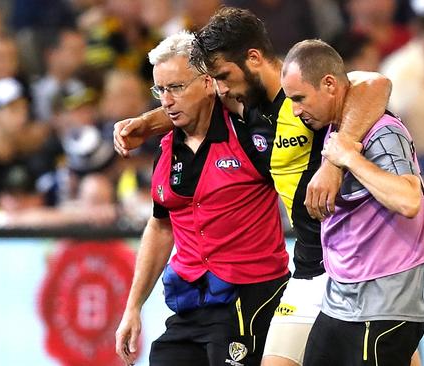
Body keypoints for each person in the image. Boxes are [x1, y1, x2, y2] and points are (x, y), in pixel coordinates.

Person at [113, 7, 393, 366]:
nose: (222, 87)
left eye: (224, 76)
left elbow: (376, 84)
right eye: (216, 79)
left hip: (357, 264)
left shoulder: (301, 94)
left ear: (254, 58)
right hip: (310, 268)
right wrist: (148, 123)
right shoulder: (245, 109)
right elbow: (196, 103)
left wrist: (335, 160)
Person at [114, 31, 290, 366]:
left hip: (248, 302)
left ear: (209, 83)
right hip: (190, 305)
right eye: (160, 90)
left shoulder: (250, 134)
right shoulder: (166, 149)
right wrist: (133, 307)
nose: (165, 100)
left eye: (176, 87)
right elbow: (161, 225)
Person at [280, 39, 424, 366]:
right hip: (340, 302)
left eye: (300, 98)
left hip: (383, 309)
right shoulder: (337, 127)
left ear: (329, 85)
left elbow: (409, 200)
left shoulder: (383, 132)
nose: (296, 110)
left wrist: (349, 158)